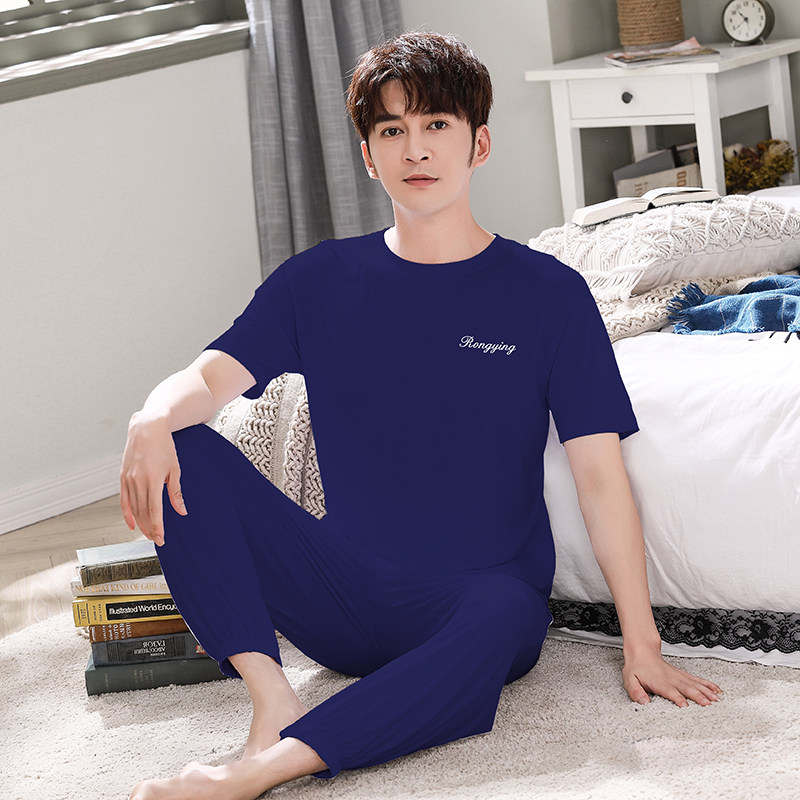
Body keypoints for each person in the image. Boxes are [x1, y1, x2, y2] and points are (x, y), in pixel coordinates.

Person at [121, 30, 722, 800]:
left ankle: (271, 767)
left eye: (437, 123)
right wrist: (151, 415)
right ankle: (272, 701)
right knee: (179, 442)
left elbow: (601, 478)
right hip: (346, 599)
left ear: (479, 143)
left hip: (481, 600)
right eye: (391, 130)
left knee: (507, 612)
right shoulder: (318, 281)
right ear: (369, 156)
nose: (416, 149)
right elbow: (208, 379)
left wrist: (643, 644)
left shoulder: (548, 295)